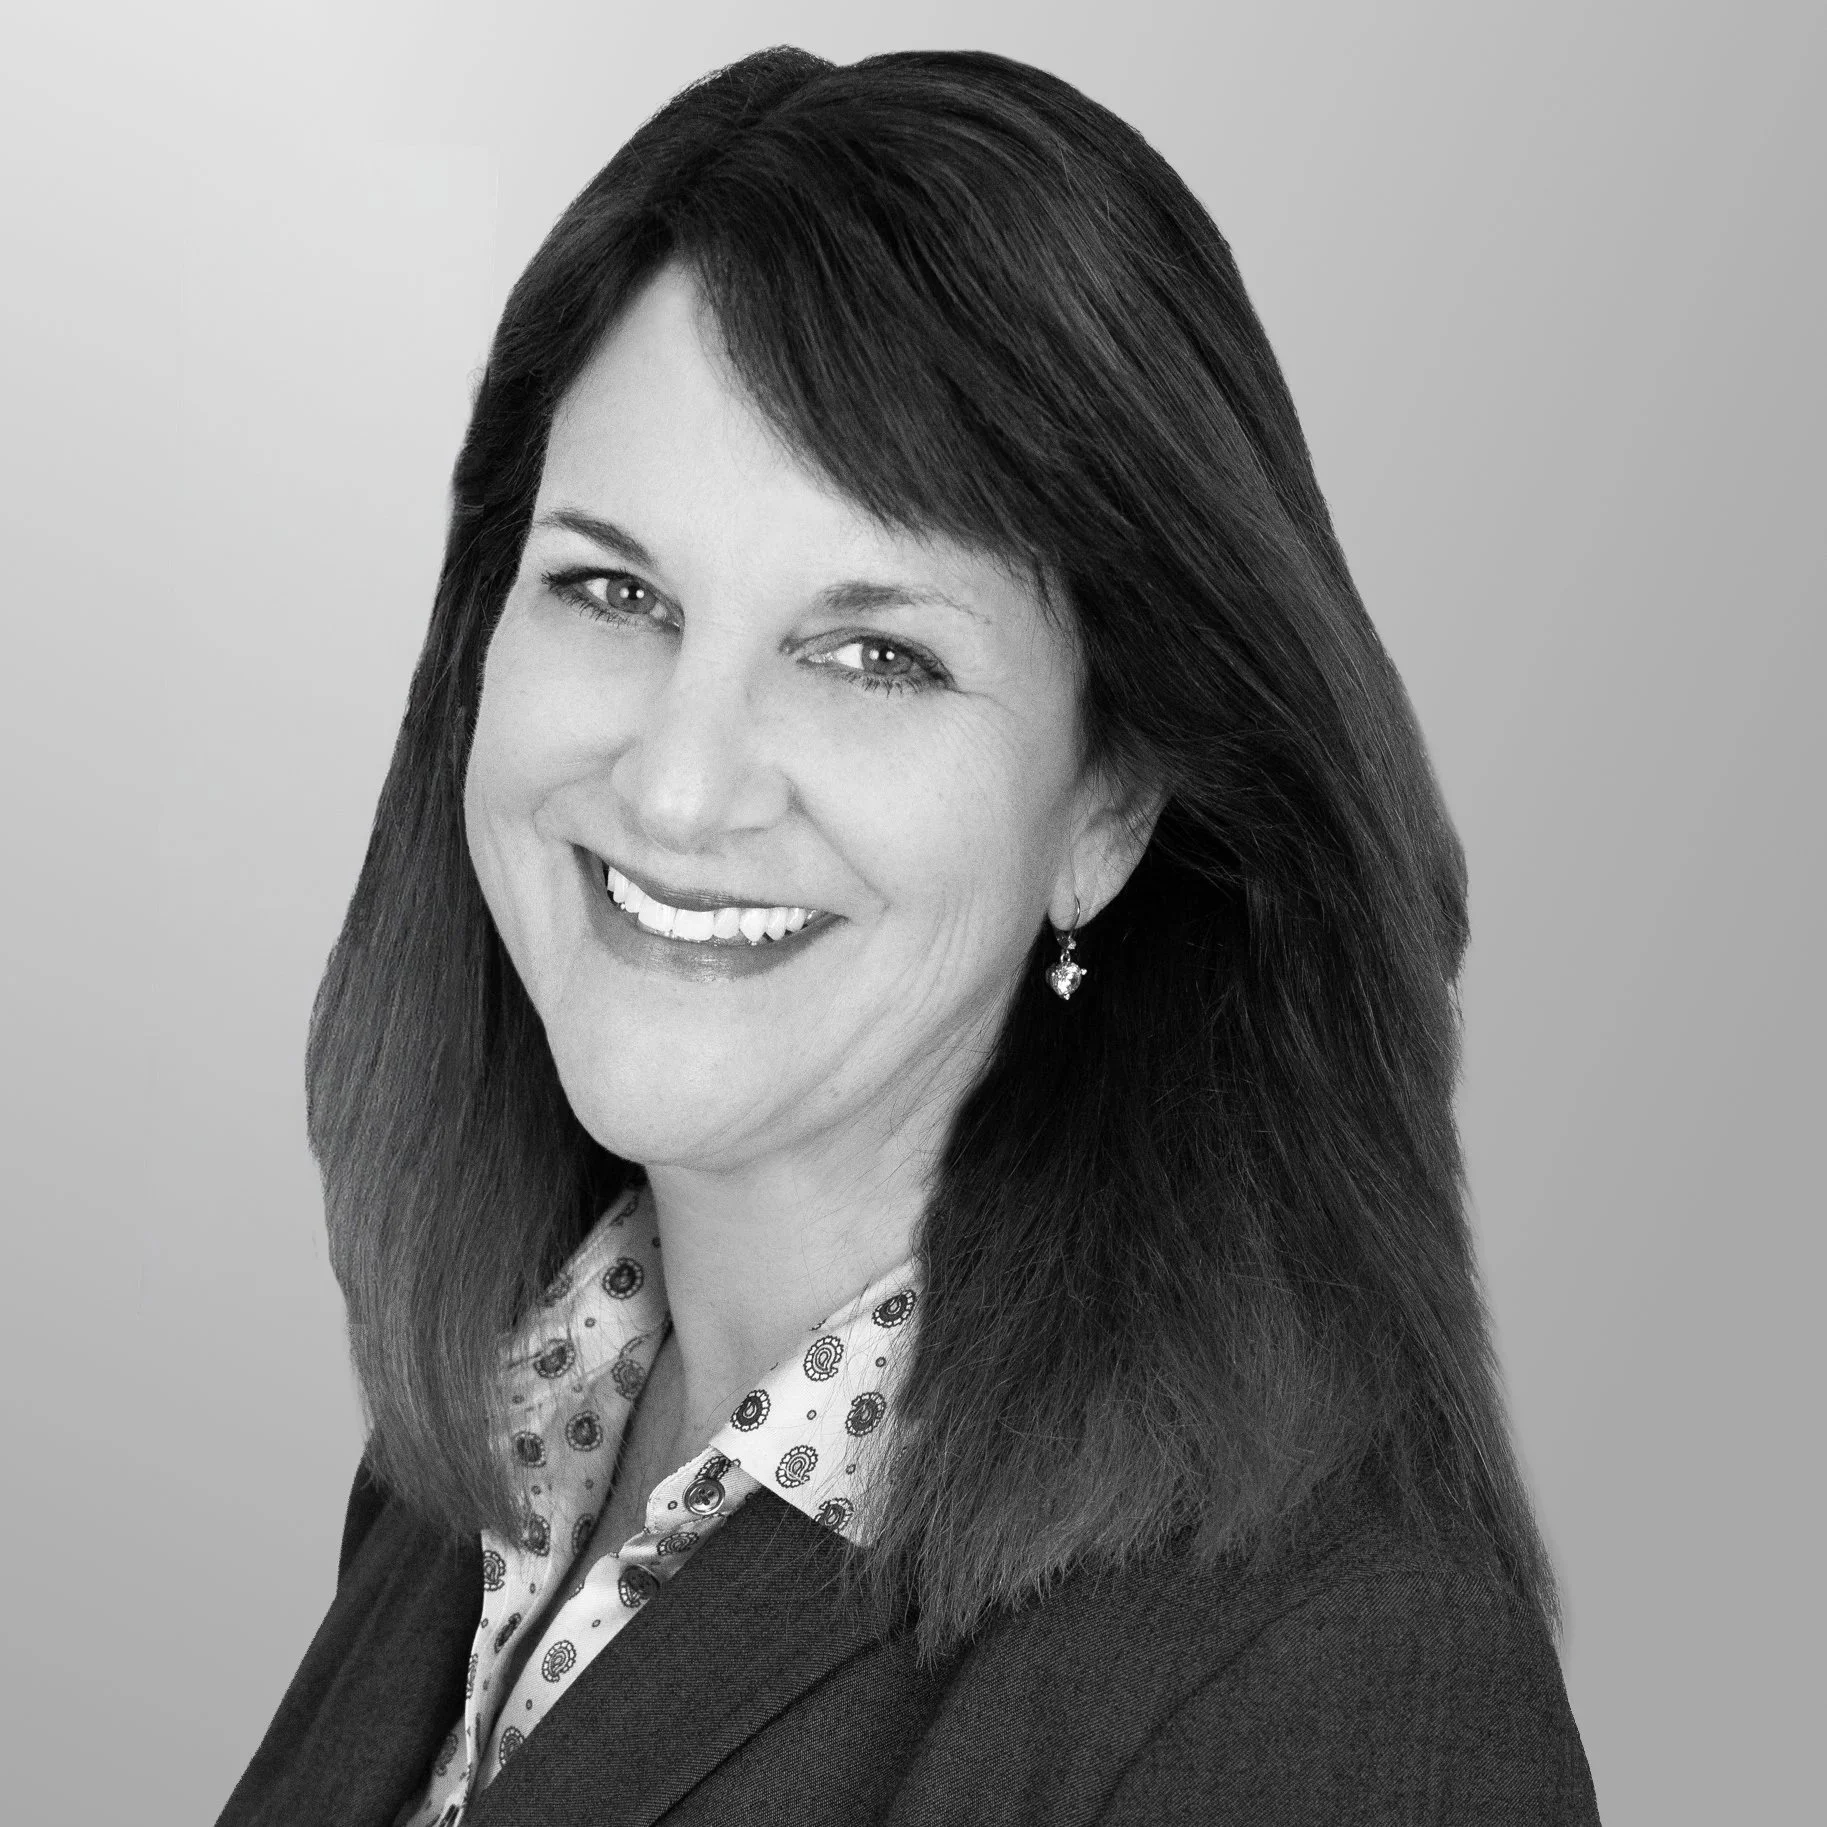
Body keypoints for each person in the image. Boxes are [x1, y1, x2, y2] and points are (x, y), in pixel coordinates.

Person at [218, 45, 1599, 1826]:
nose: (682, 783)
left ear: (1107, 802)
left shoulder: (1320, 1681)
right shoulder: (490, 1458)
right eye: (612, 591)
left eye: (875, 654)